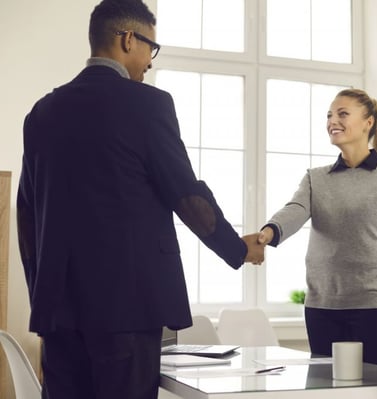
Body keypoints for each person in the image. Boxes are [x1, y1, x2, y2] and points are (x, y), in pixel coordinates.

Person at [16, 1, 264, 398]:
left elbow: (26, 213)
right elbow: (186, 195)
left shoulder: (42, 112)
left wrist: (43, 291)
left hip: (59, 311)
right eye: (151, 46)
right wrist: (237, 249)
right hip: (127, 309)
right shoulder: (147, 105)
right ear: (128, 39)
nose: (150, 60)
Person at [258, 88, 377, 368]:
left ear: (369, 122)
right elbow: (294, 210)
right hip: (322, 309)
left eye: (343, 114)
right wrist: (269, 232)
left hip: (376, 310)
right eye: (330, 115)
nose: (333, 120)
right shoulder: (316, 178)